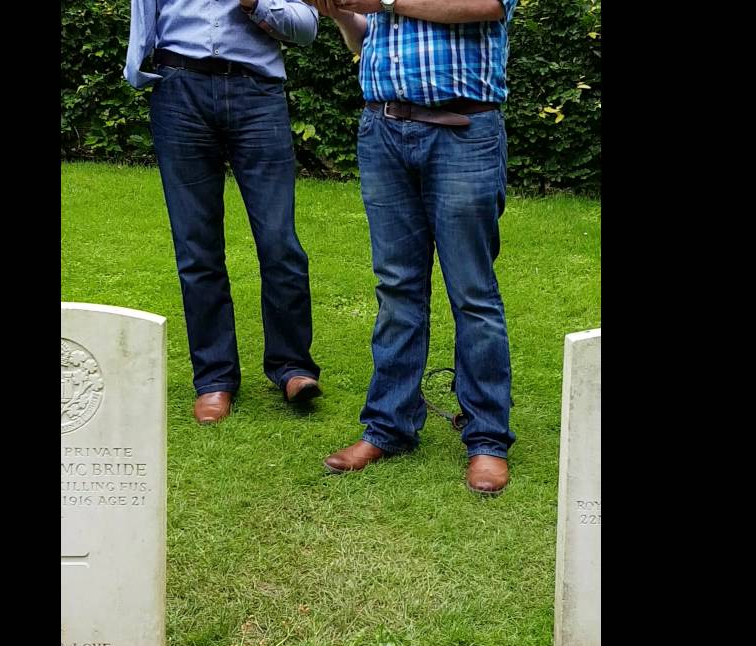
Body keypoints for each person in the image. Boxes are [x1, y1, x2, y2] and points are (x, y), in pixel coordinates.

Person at [313, 0, 518, 494]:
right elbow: (369, 38)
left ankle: (487, 439)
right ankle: (389, 426)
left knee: (473, 292)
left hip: (464, 131)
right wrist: (341, 13)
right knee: (397, 288)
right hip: (383, 130)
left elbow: (488, 6)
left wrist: (383, 1)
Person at [123, 0, 324, 424]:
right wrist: (138, 66)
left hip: (258, 92)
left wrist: (256, 4)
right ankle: (214, 379)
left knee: (279, 241)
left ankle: (292, 367)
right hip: (179, 89)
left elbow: (307, 27)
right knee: (196, 247)